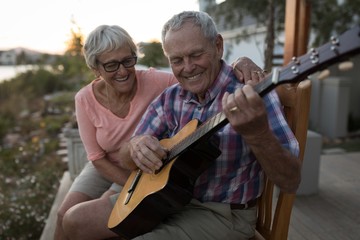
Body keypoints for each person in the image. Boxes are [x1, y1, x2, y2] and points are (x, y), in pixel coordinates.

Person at [55, 24, 264, 239]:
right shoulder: (84, 98)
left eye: (128, 61)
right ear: (96, 69)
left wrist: (240, 63)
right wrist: (137, 186)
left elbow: (201, 74)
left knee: (115, 225)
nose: (123, 71)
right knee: (65, 216)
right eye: (111, 65)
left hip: (151, 170)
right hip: (112, 163)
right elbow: (97, 158)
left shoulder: (157, 82)